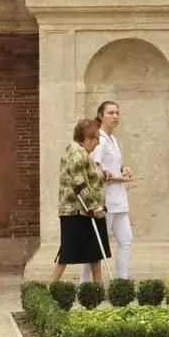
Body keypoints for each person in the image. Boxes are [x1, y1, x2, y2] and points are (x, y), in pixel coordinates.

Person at [52, 118, 110, 284]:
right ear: (87, 138)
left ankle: (98, 288)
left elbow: (90, 177)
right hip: (78, 211)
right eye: (96, 139)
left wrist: (104, 175)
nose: (97, 143)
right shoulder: (76, 153)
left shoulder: (81, 153)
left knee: (95, 253)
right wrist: (93, 207)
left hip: (86, 211)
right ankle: (50, 287)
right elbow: (79, 183)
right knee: (67, 254)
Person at [89, 101, 133, 281]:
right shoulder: (99, 140)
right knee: (96, 245)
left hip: (119, 199)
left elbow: (112, 164)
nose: (115, 116)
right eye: (111, 113)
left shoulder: (113, 139)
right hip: (105, 200)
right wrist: (116, 178)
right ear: (101, 116)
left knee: (126, 240)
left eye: (117, 113)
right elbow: (94, 169)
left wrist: (123, 169)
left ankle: (122, 281)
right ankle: (86, 284)